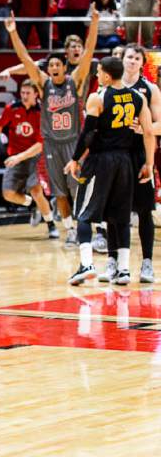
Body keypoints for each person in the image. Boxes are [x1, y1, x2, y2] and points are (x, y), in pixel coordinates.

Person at [4, 9, 98, 246]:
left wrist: (94, 23)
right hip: (52, 145)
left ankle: (89, 228)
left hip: (73, 144)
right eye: (51, 65)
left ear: (64, 67)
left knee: (78, 190)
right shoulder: (43, 84)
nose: (54, 67)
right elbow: (25, 58)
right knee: (60, 193)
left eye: (58, 64)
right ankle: (70, 231)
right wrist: (13, 32)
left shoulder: (74, 81)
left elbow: (87, 54)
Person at [65, 56, 154, 285]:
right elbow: (148, 132)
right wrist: (149, 164)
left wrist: (75, 159)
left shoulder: (98, 97)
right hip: (125, 161)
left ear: (106, 74)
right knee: (121, 216)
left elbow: (88, 134)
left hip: (101, 159)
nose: (97, 75)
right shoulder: (138, 97)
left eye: (99, 72)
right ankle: (123, 270)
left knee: (83, 213)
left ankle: (86, 264)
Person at [99, 45, 161, 283]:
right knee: (113, 211)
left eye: (137, 58)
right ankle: (113, 261)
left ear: (142, 63)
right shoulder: (108, 87)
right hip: (114, 155)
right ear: (121, 60)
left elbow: (159, 125)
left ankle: (147, 263)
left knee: (145, 210)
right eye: (129, 57)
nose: (132, 61)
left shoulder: (150, 89)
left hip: (139, 154)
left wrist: (144, 128)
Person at [0, 79, 58, 238]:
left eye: (28, 93)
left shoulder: (42, 112)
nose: (25, 96)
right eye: (22, 93)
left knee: (36, 190)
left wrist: (19, 157)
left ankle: (51, 224)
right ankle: (35, 206)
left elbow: (40, 145)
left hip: (36, 157)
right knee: (8, 194)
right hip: (15, 157)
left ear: (36, 94)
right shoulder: (12, 108)